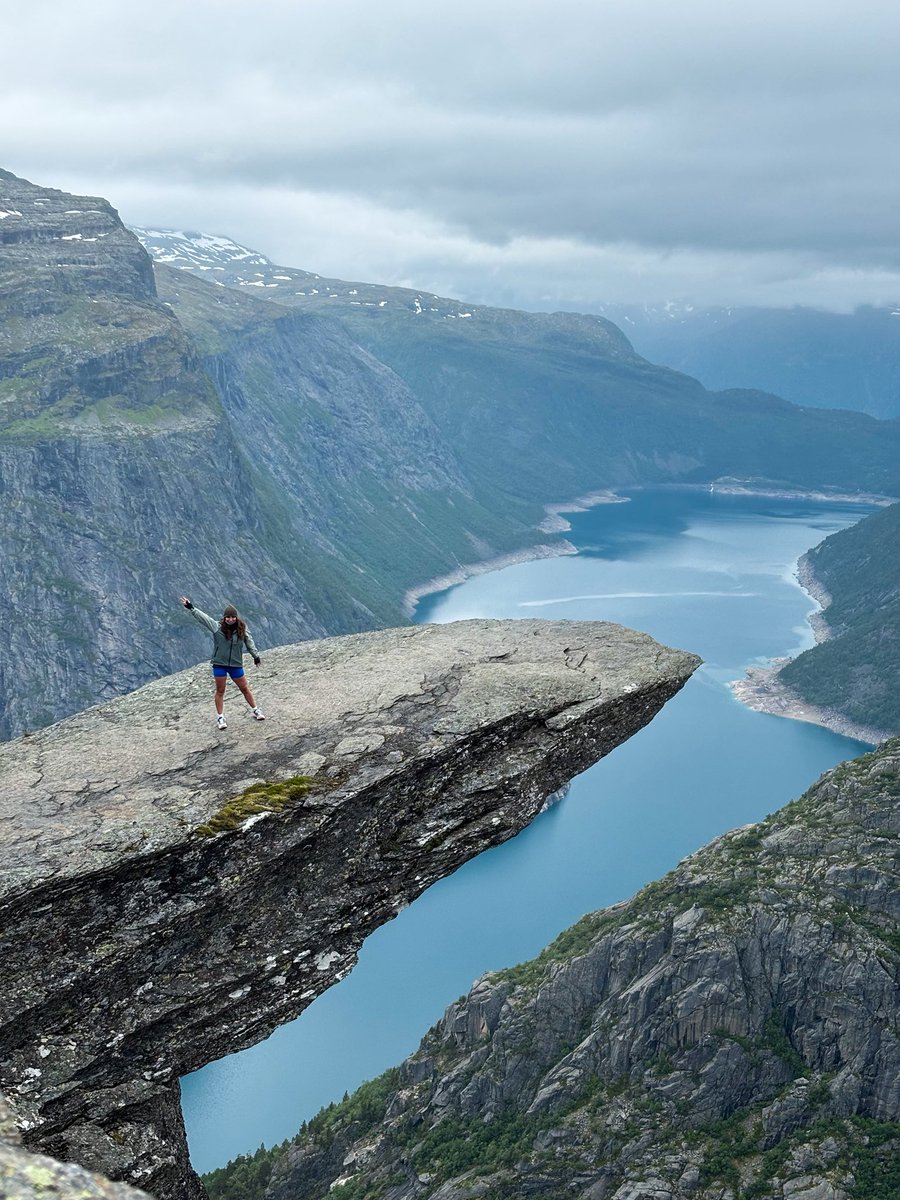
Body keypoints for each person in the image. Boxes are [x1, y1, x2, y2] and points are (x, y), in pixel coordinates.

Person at [179, 596, 265, 729]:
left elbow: (249, 642)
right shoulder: (216, 627)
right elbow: (204, 618)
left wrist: (256, 656)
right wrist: (191, 607)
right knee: (220, 691)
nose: (230, 619)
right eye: (228, 617)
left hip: (235, 665)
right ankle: (220, 718)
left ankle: (256, 710)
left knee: (244, 688)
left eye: (233, 617)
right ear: (224, 618)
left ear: (236, 617)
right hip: (219, 664)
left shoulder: (242, 628)